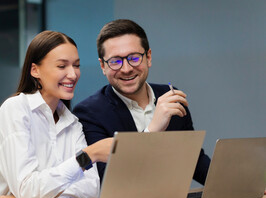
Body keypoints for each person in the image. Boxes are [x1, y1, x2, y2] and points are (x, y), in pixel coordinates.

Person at [0, 30, 113, 198]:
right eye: (61, 66)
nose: (73, 75)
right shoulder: (15, 110)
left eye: (76, 65)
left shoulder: (72, 122)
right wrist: (88, 156)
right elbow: (28, 191)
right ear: (35, 70)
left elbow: (91, 189)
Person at [73, 19, 210, 184]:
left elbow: (193, 159)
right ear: (103, 66)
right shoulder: (89, 112)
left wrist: (236, 184)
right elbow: (109, 181)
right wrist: (152, 131)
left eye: (134, 58)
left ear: (149, 57)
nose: (126, 68)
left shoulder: (170, 96)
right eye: (115, 61)